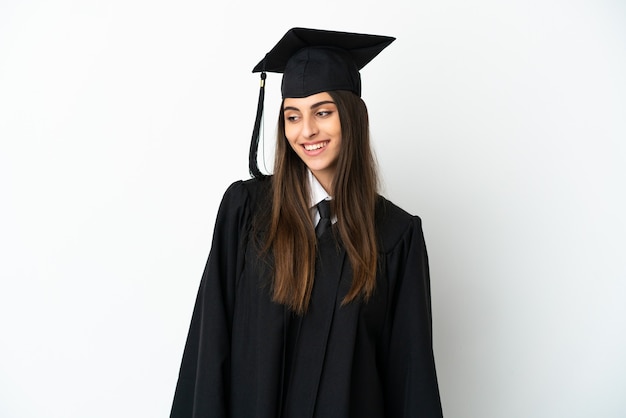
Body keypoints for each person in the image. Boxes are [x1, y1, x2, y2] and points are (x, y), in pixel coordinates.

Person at [170, 27, 443, 418]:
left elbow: (410, 380)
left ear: (352, 117)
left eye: (323, 112)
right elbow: (209, 347)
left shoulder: (396, 236)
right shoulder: (246, 212)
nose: (307, 130)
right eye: (292, 116)